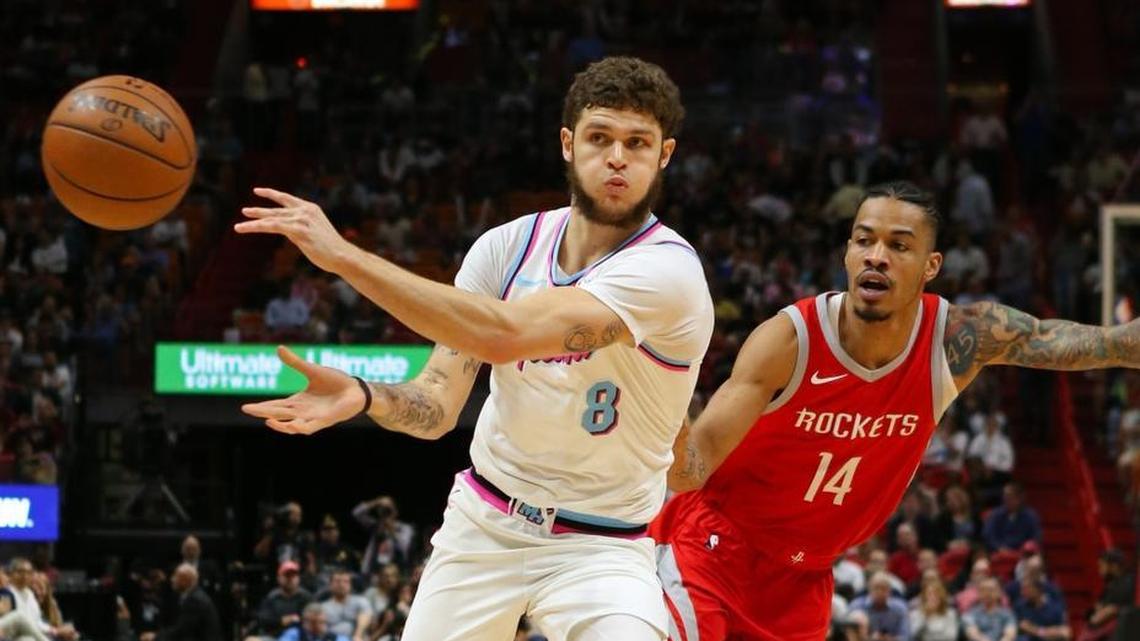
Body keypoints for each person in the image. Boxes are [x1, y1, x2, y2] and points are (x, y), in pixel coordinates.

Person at [237, 56, 713, 641]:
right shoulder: (506, 248)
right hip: (485, 523)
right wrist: (364, 396)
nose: (617, 157)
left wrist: (343, 257)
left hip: (602, 546)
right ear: (568, 144)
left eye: (638, 143)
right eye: (599, 137)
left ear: (664, 155)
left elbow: (502, 334)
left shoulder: (667, 271)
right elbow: (437, 405)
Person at [655, 180, 1140, 641]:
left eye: (899, 246)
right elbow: (689, 473)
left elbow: (1073, 342)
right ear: (847, 252)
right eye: (864, 240)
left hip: (806, 576)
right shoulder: (789, 340)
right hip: (715, 551)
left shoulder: (953, 341)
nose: (877, 257)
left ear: (931, 266)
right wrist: (668, 413)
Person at [139, 564, 222, 641]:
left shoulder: (195, 600)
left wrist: (156, 637)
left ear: (186, 580)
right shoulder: (194, 595)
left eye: (175, 576)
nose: (172, 579)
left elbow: (182, 630)